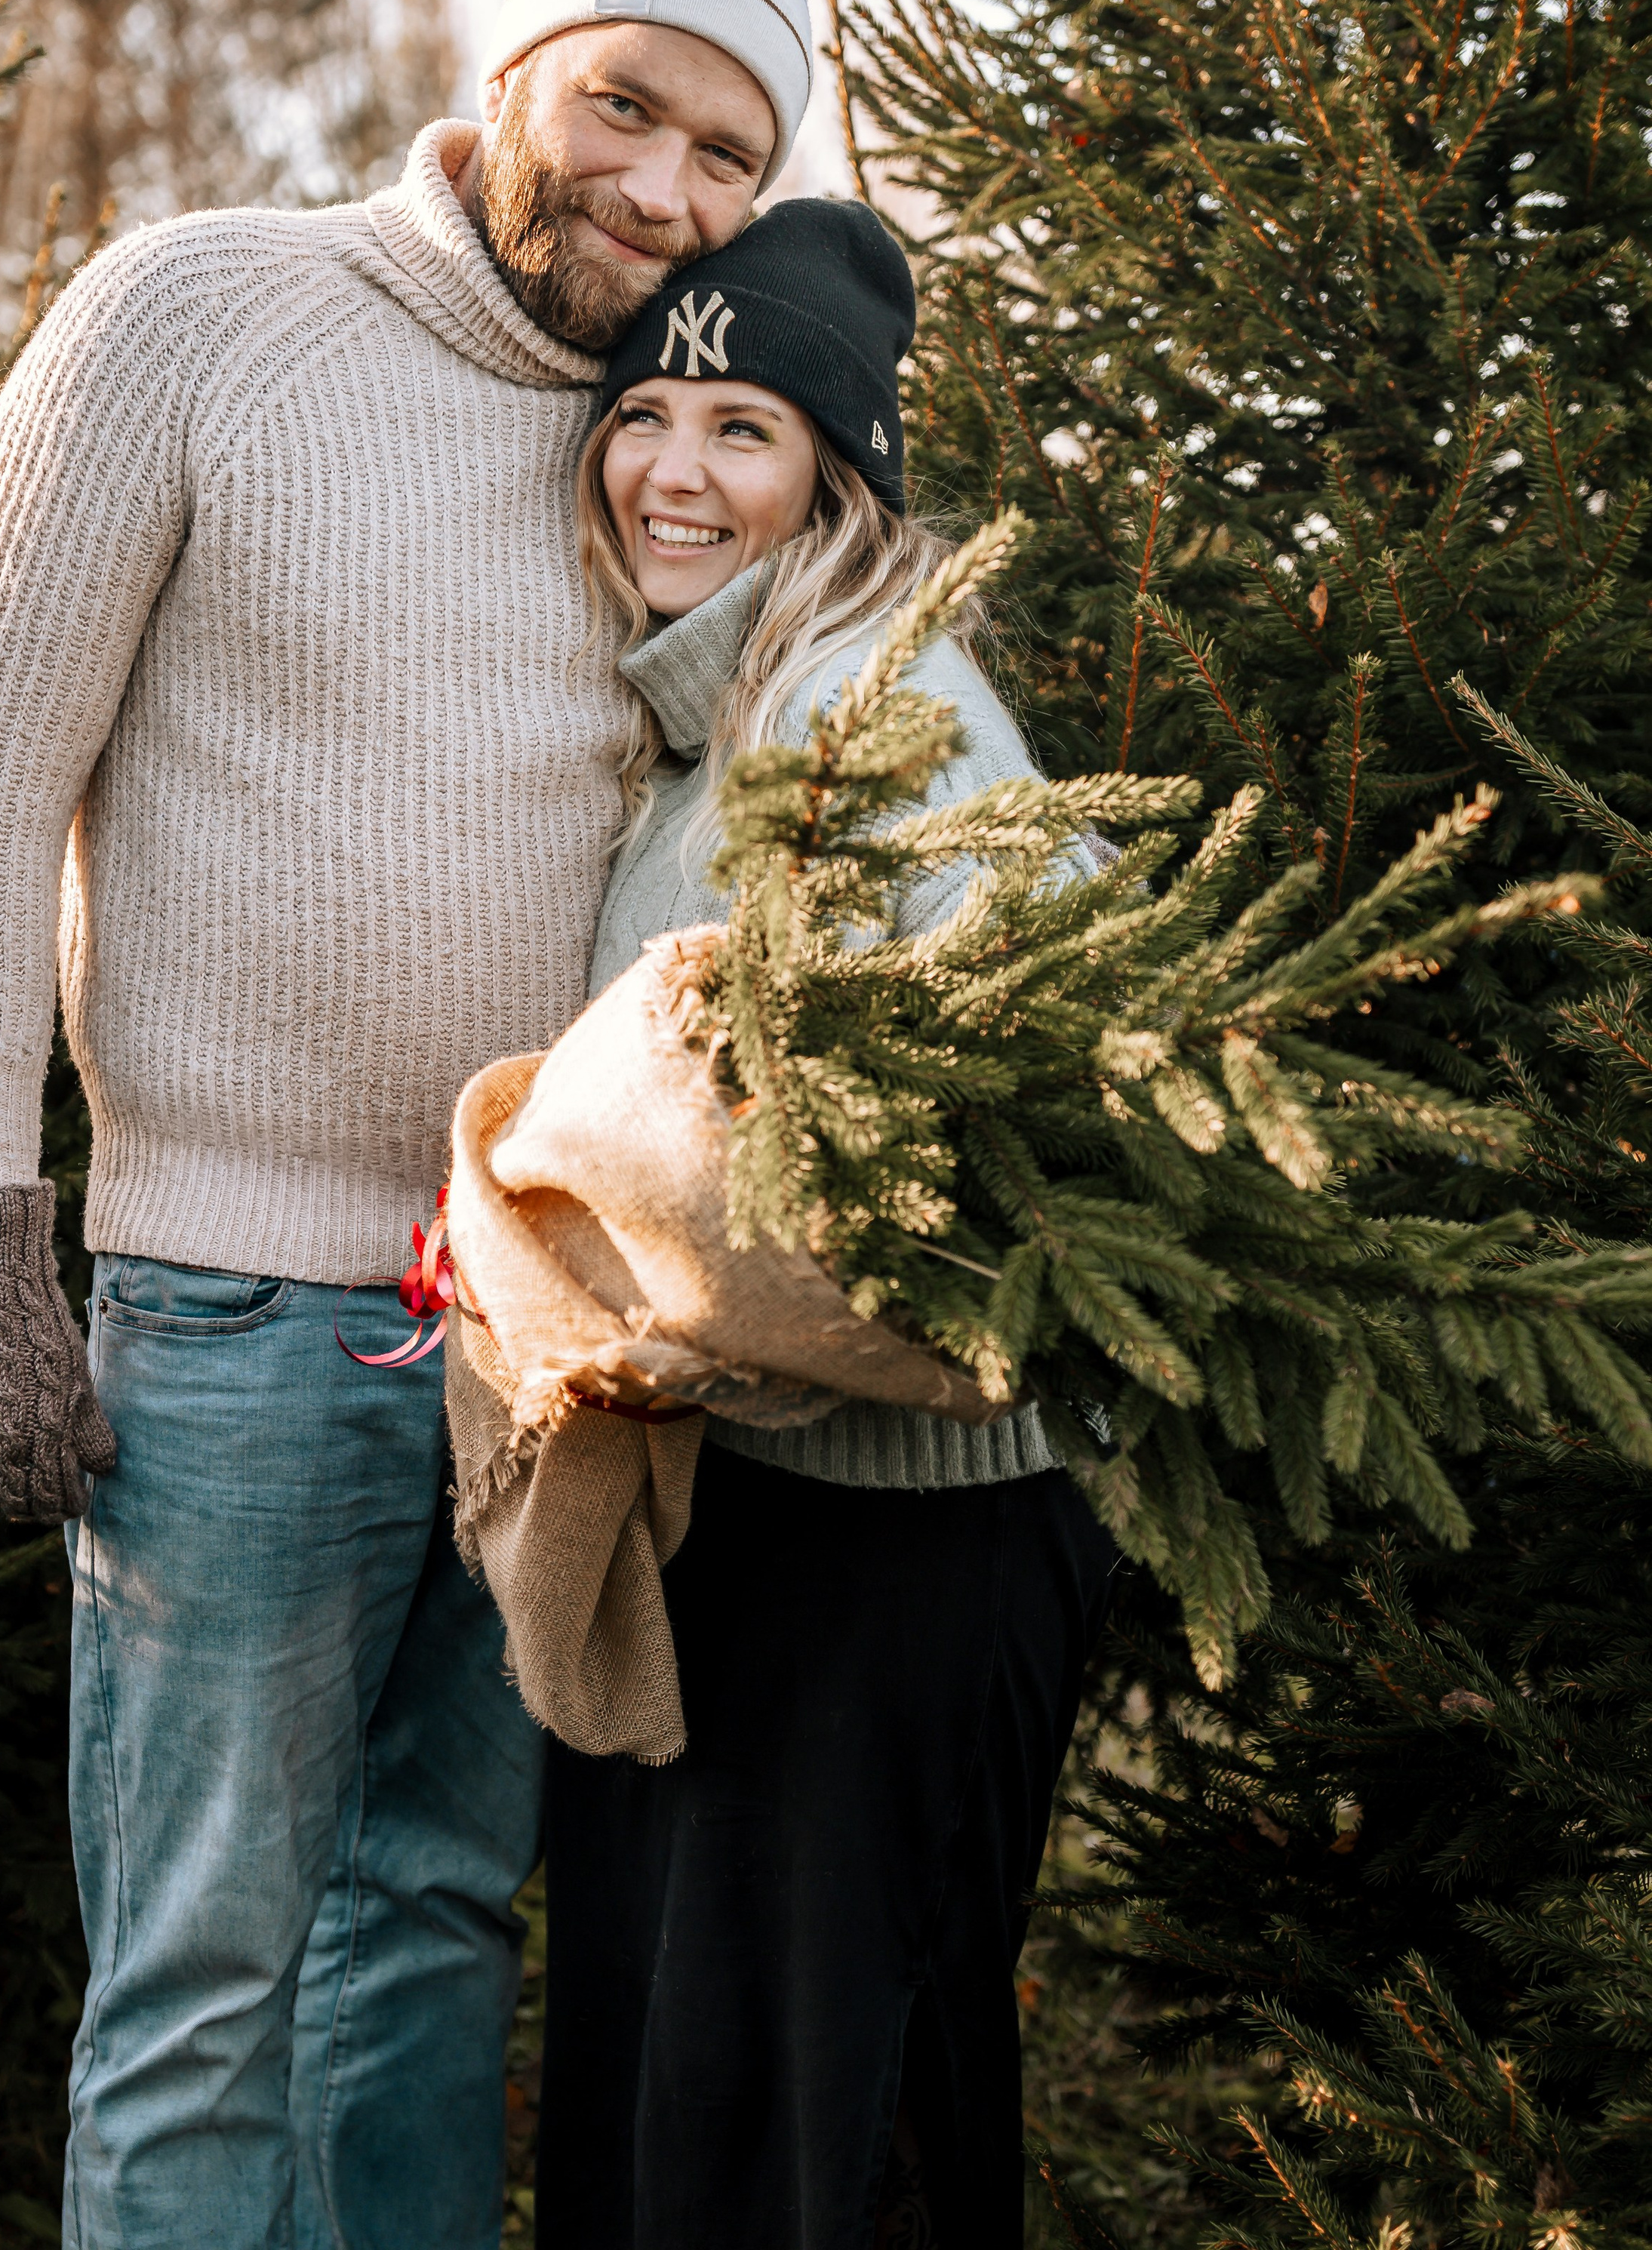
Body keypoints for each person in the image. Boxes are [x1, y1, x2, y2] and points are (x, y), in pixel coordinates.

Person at [0, 0, 814, 2250]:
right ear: (513, 68)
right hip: (227, 1320)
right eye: (626, 100)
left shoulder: (667, 453)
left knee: (425, 1941)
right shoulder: (195, 316)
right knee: (201, 1991)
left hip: (535, 1341)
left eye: (729, 151)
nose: (664, 186)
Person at [534, 199, 1118, 2250]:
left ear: (836, 477)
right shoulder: (715, 714)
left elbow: (1018, 1126)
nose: (673, 470)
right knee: (705, 2110)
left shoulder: (881, 709)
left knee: (831, 2135)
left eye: (744, 429)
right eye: (645, 414)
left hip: (909, 1534)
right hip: (761, 1507)